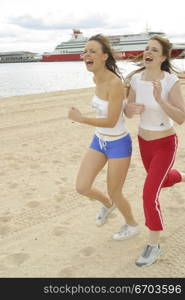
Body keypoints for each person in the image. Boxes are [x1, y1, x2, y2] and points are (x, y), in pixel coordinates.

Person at [68, 34, 138, 240]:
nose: (86, 55)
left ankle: (132, 225)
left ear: (104, 56)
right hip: (99, 140)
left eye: (92, 51)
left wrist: (81, 119)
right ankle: (108, 205)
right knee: (82, 187)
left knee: (115, 190)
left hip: (118, 143)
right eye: (85, 51)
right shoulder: (95, 77)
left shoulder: (115, 83)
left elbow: (111, 120)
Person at [124, 34, 185, 267]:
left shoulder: (170, 82)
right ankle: (181, 176)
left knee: (149, 194)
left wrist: (161, 100)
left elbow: (181, 117)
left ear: (163, 57)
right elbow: (128, 111)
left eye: (154, 50)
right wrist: (130, 108)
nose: (148, 52)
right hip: (144, 142)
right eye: (146, 48)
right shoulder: (137, 80)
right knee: (163, 181)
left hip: (165, 143)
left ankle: (154, 245)